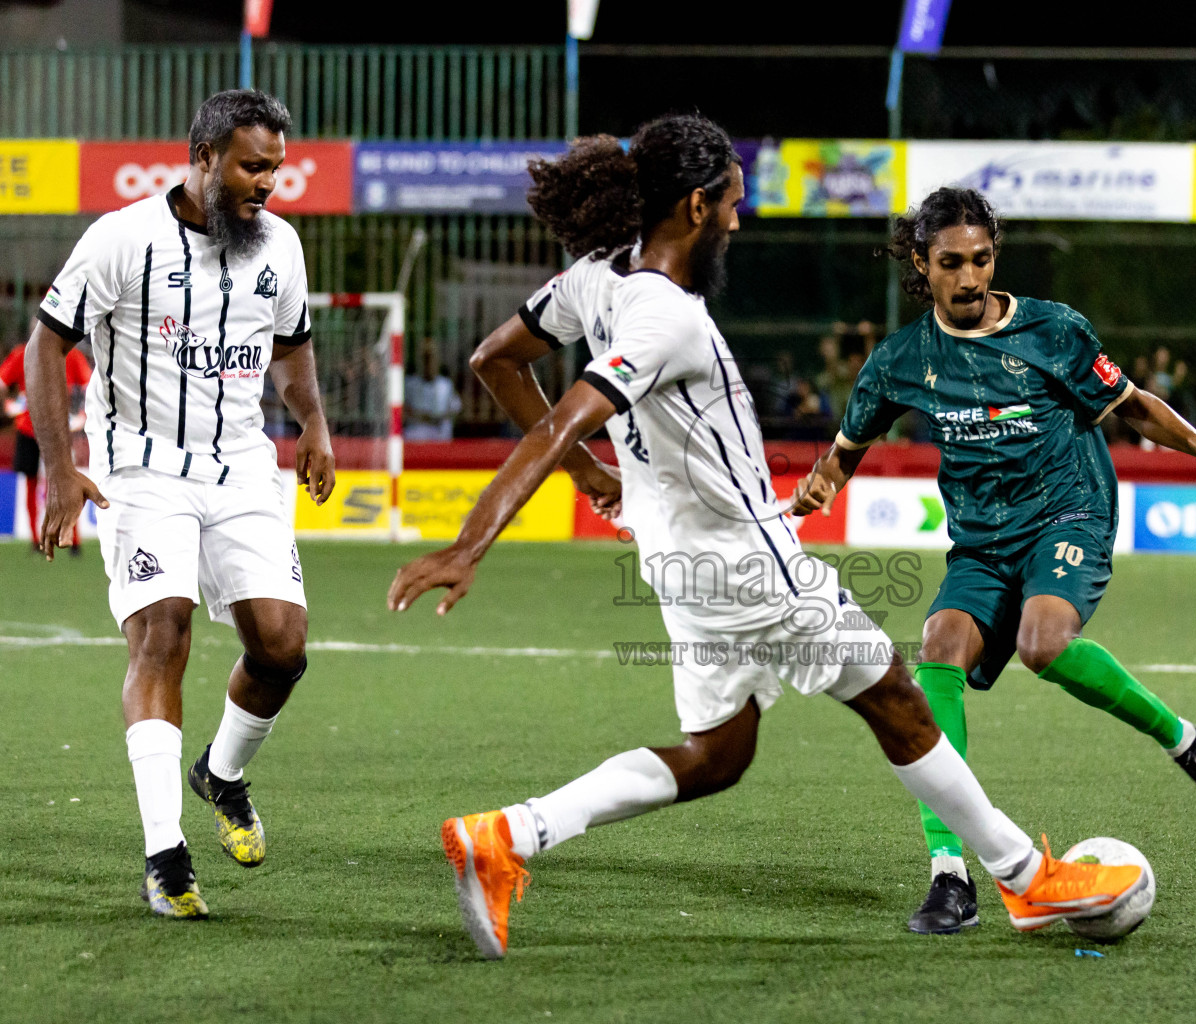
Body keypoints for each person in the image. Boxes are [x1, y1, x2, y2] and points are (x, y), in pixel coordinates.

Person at [387, 118, 1145, 960]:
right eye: (734, 206)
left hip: (676, 567)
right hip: (748, 564)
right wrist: (472, 541)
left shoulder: (592, 277)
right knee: (897, 697)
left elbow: (497, 359)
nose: (741, 223)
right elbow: (567, 416)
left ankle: (509, 836)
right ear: (697, 205)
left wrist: (598, 479)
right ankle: (1023, 877)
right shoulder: (662, 315)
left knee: (717, 754)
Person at [789, 187, 1196, 936]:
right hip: (982, 539)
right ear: (922, 264)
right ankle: (950, 876)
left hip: (1068, 512)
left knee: (1043, 643)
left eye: (981, 259)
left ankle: (1191, 744)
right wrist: (823, 482)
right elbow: (846, 449)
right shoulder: (901, 361)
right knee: (936, 647)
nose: (970, 277)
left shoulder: (1051, 330)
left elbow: (1130, 403)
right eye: (952, 263)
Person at [24, 90, 336, 920]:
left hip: (242, 468)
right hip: (142, 474)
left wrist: (313, 423)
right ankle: (165, 854)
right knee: (163, 631)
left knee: (282, 646)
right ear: (203, 156)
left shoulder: (281, 247)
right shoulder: (123, 239)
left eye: (275, 165)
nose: (268, 181)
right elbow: (44, 345)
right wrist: (60, 467)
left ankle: (221, 774)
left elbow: (294, 349)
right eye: (251, 165)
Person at [0, 340, 92, 550]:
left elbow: (2, 384)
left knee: (49, 483)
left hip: (42, 428)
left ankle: (46, 539)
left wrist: (9, 405)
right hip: (46, 429)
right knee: (58, 482)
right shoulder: (67, 354)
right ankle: (64, 539)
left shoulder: (26, 353)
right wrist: (82, 413)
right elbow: (90, 387)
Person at [403, 338, 462, 440]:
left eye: (431, 357)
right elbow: (402, 410)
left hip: (439, 436)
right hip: (415, 436)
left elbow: (456, 409)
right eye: (425, 357)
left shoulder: (446, 385)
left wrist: (435, 417)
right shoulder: (409, 383)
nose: (428, 362)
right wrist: (419, 415)